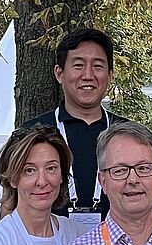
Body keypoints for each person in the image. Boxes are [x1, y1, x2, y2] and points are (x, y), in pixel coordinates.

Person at [22, 28, 130, 228]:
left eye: (98, 66)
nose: (88, 75)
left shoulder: (129, 135)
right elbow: (10, 202)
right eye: (78, 65)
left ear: (110, 74)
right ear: (59, 73)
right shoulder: (31, 133)